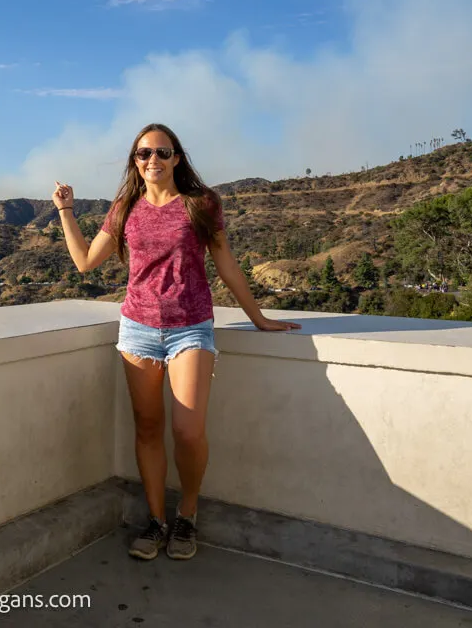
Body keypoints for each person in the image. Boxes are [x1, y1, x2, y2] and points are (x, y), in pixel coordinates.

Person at [52, 123, 300, 563]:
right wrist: (66, 212)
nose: (152, 161)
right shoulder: (126, 207)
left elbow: (225, 262)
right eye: (143, 154)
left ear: (177, 159)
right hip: (138, 330)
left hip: (191, 328)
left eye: (162, 153)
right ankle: (156, 521)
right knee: (147, 429)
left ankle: (187, 512)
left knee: (187, 430)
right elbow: (86, 262)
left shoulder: (201, 204)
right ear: (135, 161)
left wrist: (257, 317)